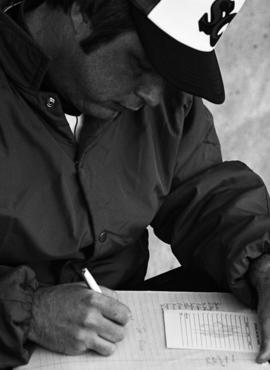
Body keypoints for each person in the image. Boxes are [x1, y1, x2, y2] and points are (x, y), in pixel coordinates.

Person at [1, 0, 270, 368]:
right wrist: (28, 312)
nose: (153, 96)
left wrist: (262, 263)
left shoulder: (166, 99)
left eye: (170, 74)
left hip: (131, 343)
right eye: (141, 64)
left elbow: (203, 191)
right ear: (82, 11)